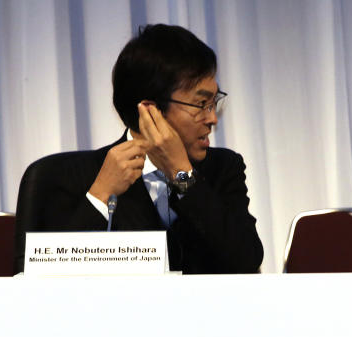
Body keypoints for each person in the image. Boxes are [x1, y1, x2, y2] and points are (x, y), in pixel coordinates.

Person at [14, 24, 263, 274]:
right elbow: (39, 280)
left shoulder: (223, 168)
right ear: (150, 110)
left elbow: (246, 260)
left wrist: (183, 175)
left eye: (213, 103)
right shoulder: (68, 176)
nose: (212, 119)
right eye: (201, 104)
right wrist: (99, 197)